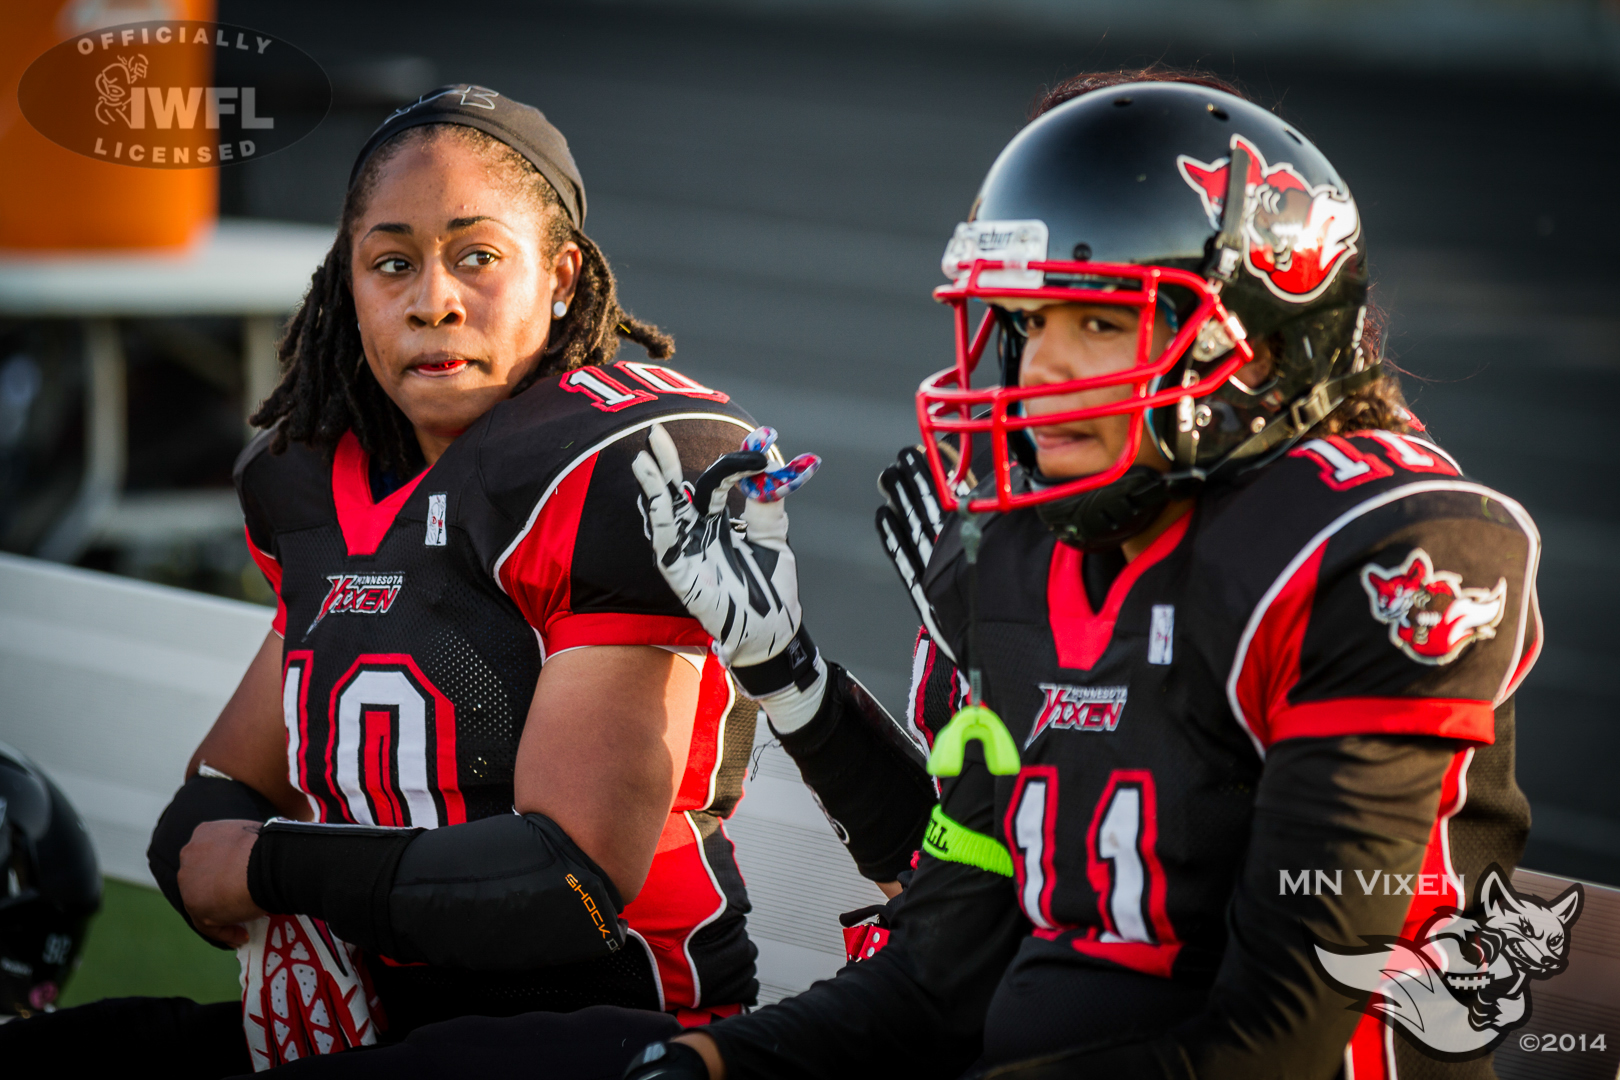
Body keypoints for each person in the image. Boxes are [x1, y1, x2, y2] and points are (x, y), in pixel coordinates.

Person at [622, 68, 1541, 1079]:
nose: (1039, 372)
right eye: (1027, 324)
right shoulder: (1025, 545)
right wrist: (719, 1062)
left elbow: (1280, 1036)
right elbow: (945, 949)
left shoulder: (1385, 552)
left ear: (1256, 351)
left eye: (1099, 322)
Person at [0, 83, 924, 1077]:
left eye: (477, 256)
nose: (433, 298)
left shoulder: (619, 474)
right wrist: (267, 900)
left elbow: (559, 884)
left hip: (598, 1024)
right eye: (391, 262)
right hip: (384, 1013)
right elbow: (215, 800)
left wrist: (274, 871)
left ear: (563, 277)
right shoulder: (312, 480)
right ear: (347, 284)